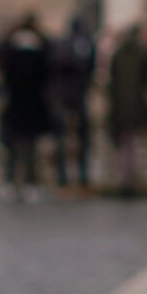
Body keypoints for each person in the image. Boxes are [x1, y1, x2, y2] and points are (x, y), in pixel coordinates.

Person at [0, 13, 57, 200]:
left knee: (12, 146)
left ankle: (10, 182)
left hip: (13, 102)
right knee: (30, 147)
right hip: (34, 103)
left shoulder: (9, 50)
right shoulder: (42, 49)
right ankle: (31, 182)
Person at [104, 21, 147, 196]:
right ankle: (137, 179)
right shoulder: (145, 55)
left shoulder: (118, 56)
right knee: (138, 144)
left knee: (123, 145)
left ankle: (124, 180)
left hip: (120, 108)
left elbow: (111, 85)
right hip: (137, 107)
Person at [48, 16, 96, 189]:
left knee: (61, 136)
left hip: (61, 95)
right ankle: (82, 174)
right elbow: (90, 67)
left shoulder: (61, 45)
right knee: (82, 136)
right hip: (79, 93)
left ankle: (62, 174)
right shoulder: (85, 44)